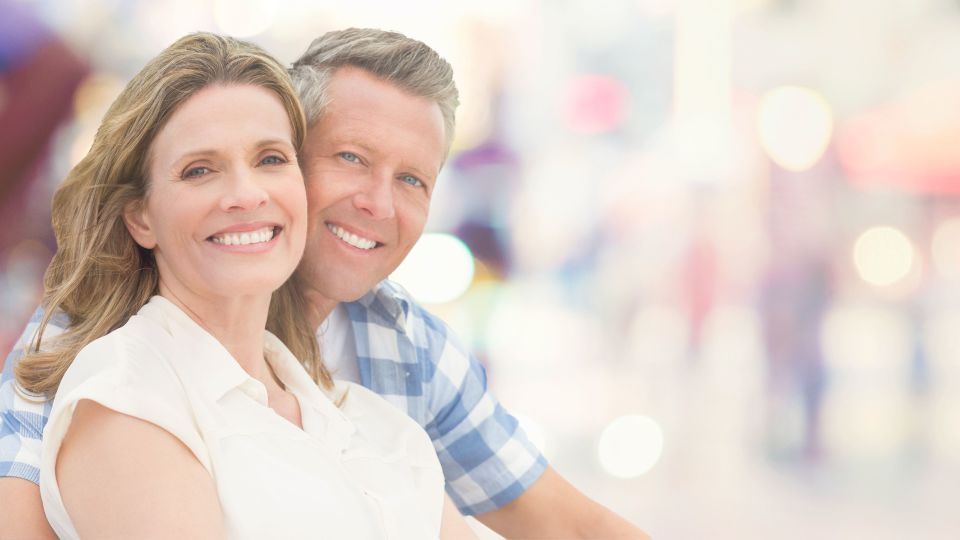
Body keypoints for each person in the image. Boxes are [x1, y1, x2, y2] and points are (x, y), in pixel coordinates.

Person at [0, 28, 648, 539]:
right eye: (351, 158)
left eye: (412, 180)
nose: (378, 203)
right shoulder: (105, 358)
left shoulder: (388, 372)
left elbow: (566, 523)